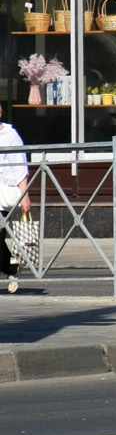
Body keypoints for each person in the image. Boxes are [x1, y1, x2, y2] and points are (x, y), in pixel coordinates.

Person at [0, 104, 31, 293]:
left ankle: (10, 268)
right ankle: (10, 268)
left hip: (3, 194)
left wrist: (24, 195)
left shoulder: (10, 136)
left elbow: (19, 167)